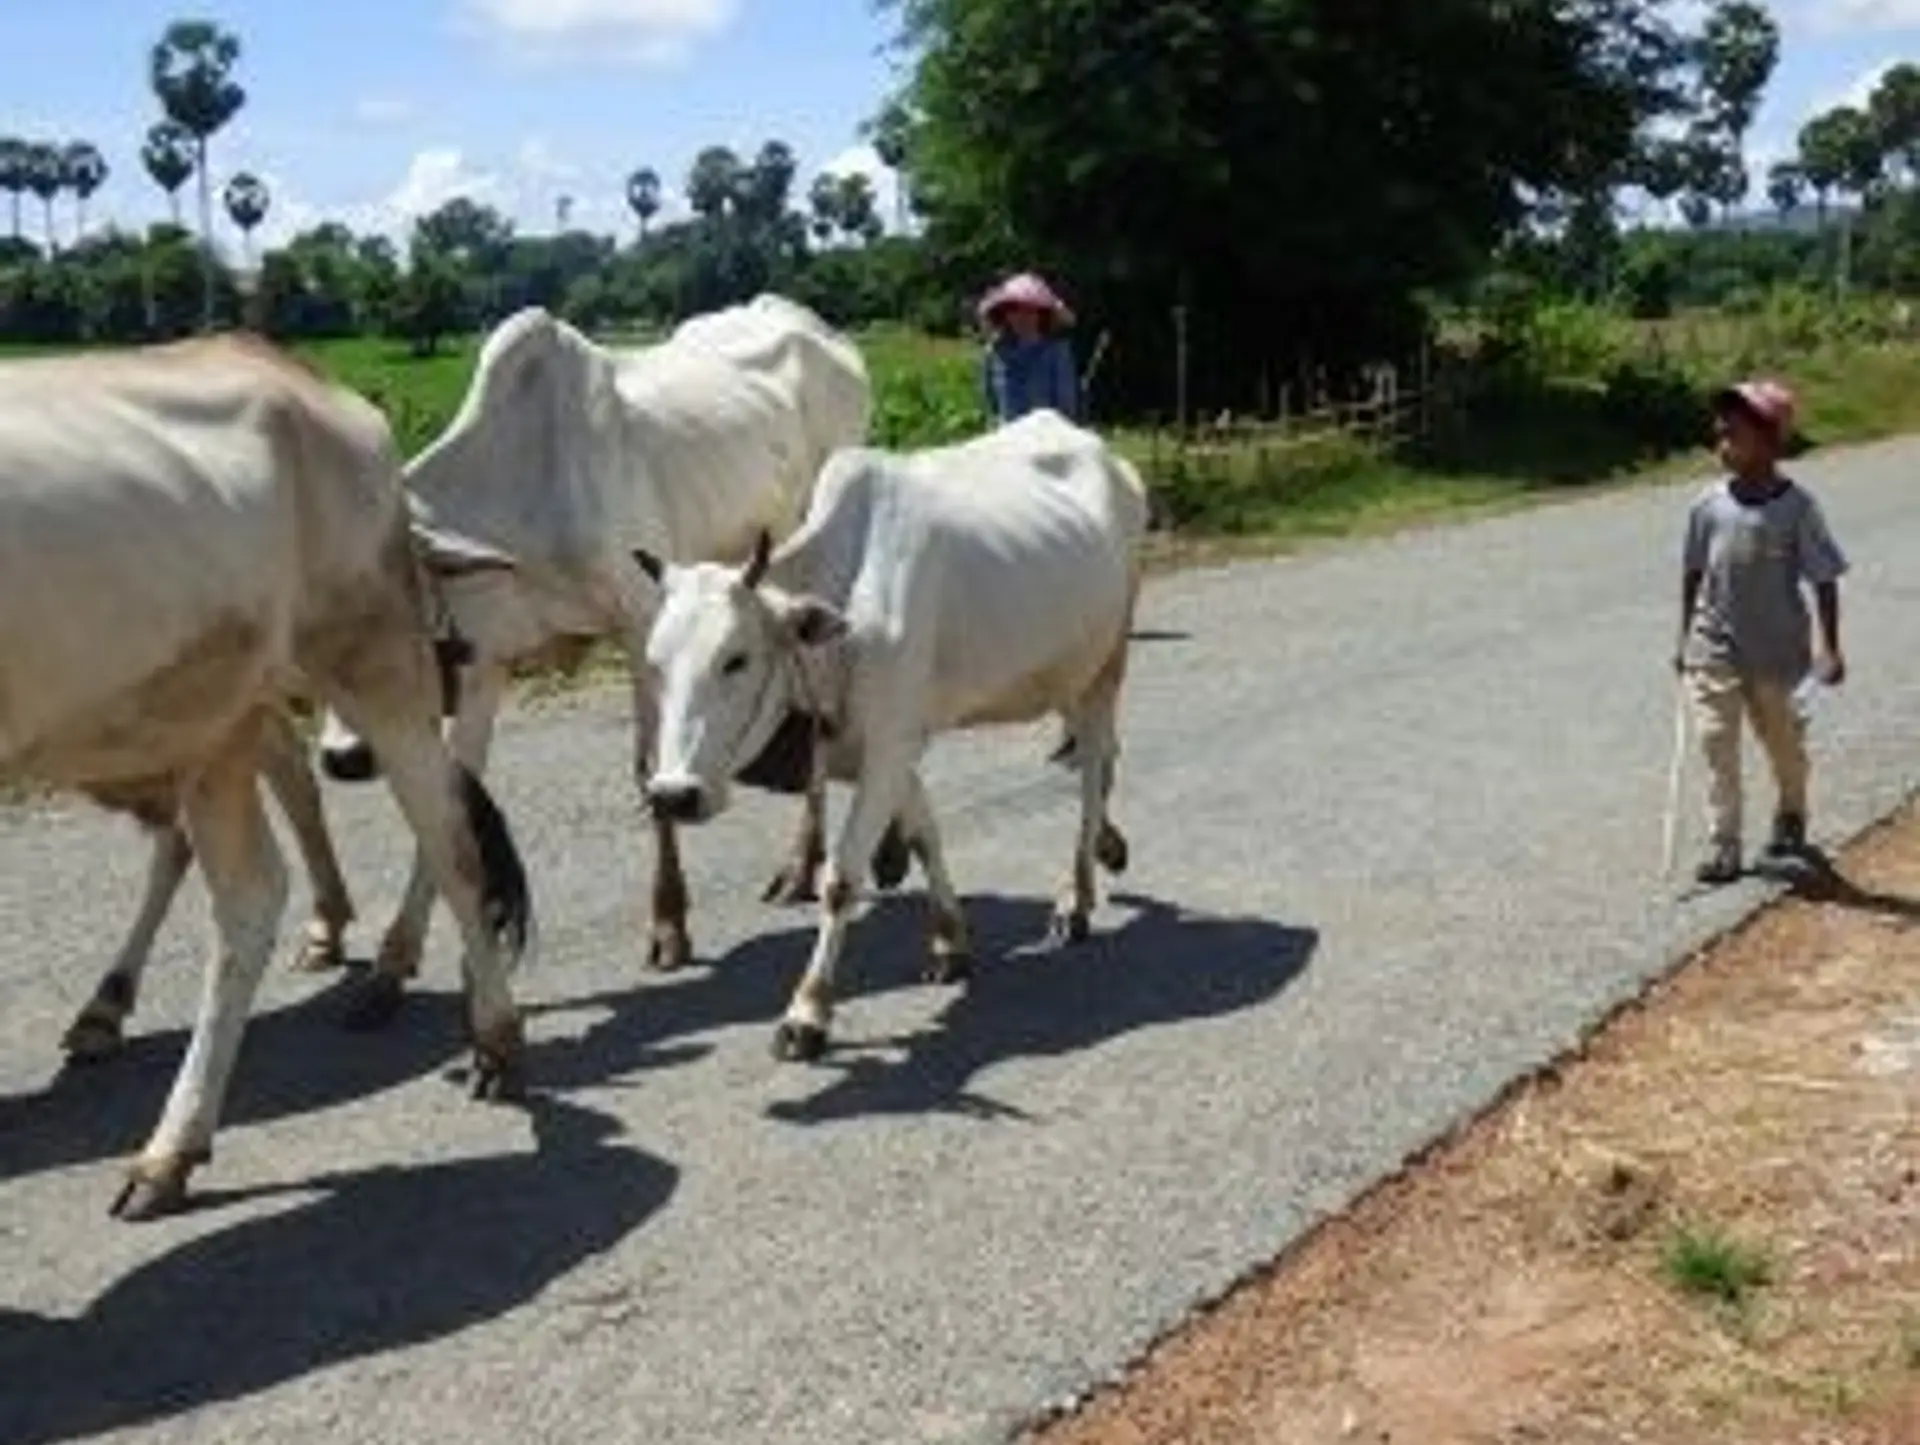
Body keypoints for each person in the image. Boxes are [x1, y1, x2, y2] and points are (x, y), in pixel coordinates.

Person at [1674, 378, 1849, 886]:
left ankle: (1790, 819)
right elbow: (1691, 573)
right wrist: (1684, 642)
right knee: (1715, 744)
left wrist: (1831, 648)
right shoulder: (1706, 506)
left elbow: (1824, 577)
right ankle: (1724, 844)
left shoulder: (1796, 508)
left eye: (1735, 432)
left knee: (1785, 748)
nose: (1722, 440)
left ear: (1772, 440)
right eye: (1719, 432)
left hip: (1778, 656)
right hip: (1715, 646)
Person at [977, 271, 1081, 425]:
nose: (1022, 316)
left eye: (1029, 310)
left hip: (1049, 437)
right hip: (1009, 437)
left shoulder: (1057, 352)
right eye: (1014, 309)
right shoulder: (994, 353)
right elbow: (991, 404)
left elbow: (1067, 406)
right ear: (1004, 314)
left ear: (1041, 314)